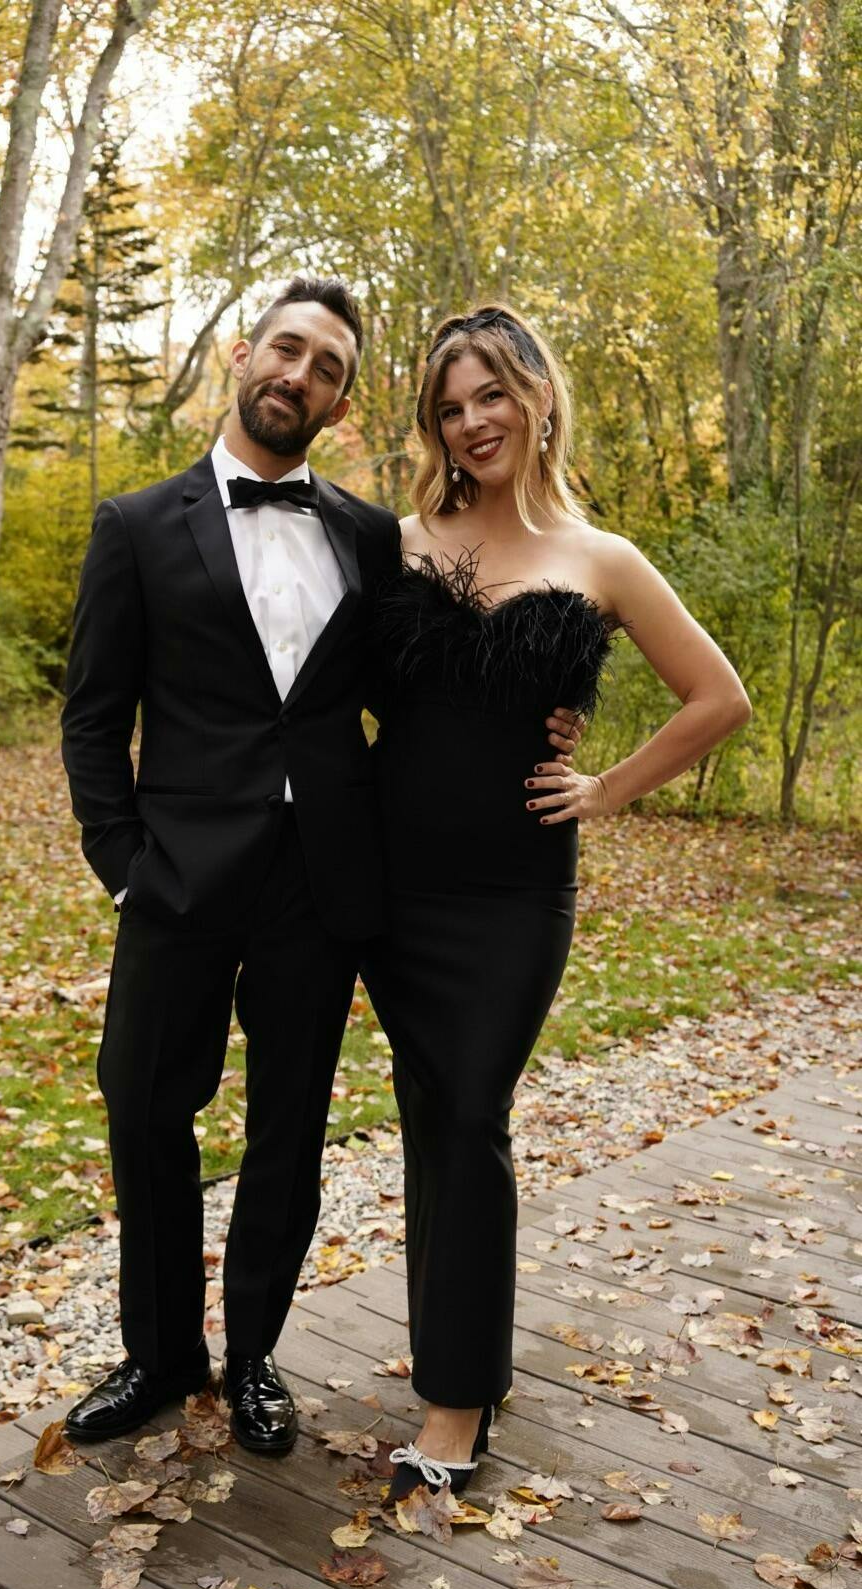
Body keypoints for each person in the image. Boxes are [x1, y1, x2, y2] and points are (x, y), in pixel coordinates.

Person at [59, 274, 586, 1455]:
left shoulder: (371, 535)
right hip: (176, 878)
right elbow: (91, 720)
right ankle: (159, 1353)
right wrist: (125, 866)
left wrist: (550, 710)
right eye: (288, 350)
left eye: (329, 368)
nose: (301, 375)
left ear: (342, 403)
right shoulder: (135, 525)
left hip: (324, 880)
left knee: (288, 1128)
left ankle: (254, 1357)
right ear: (242, 355)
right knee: (146, 1107)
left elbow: (442, 671)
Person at [358, 303, 752, 1504]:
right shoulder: (396, 541)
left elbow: (718, 697)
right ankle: (461, 1352)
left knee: (472, 1105)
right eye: (450, 407)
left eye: (491, 395)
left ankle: (455, 1404)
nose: (472, 422)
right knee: (431, 1112)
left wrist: (605, 786)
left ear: (536, 396)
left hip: (515, 889)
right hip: (393, 875)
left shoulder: (604, 558)